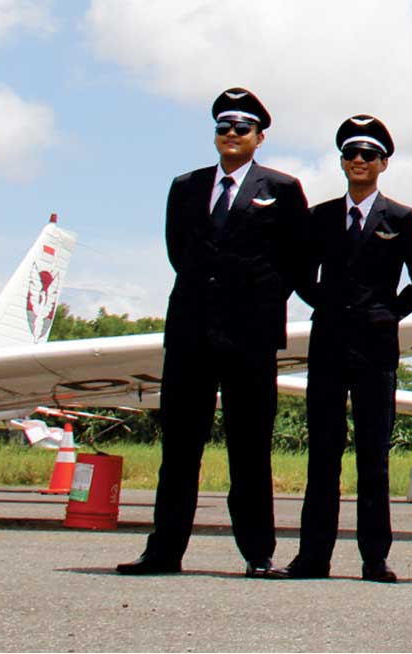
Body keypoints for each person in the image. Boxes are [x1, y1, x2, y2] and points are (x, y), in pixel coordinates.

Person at [118, 87, 309, 577]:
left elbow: (297, 261)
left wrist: (257, 303)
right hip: (191, 335)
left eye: (241, 127)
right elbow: (177, 251)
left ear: (259, 137)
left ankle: (258, 553)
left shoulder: (281, 189)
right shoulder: (186, 185)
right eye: (223, 126)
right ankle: (163, 551)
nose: (230, 134)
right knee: (179, 448)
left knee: (250, 448)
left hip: (250, 338)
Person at [279, 115, 412, 583]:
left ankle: (374, 558)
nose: (359, 162)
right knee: (322, 455)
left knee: (373, 457)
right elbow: (300, 273)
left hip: (376, 351)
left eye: (369, 155)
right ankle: (312, 557)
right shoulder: (320, 217)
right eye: (351, 154)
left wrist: (391, 312)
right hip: (328, 345)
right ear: (342, 162)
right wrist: (324, 303)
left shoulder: (400, 219)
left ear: (383, 163)